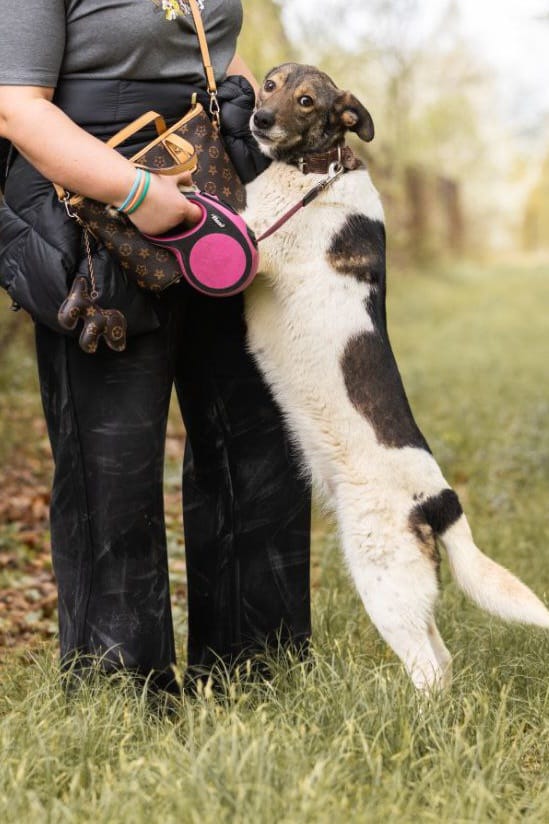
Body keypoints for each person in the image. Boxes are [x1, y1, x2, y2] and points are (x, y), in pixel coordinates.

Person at [0, 0, 311, 694]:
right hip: (93, 209)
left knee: (257, 442)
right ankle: (120, 686)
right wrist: (138, 192)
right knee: (112, 464)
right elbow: (15, 107)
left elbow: (217, 50)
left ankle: (257, 674)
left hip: (216, 197)